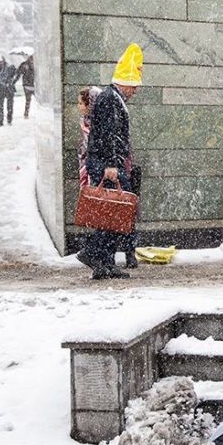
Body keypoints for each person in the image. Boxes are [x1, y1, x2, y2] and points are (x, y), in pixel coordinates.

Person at [76, 43, 144, 279]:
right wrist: (112, 164)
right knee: (114, 214)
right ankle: (92, 252)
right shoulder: (111, 99)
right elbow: (109, 135)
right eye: (133, 86)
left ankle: (104, 263)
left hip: (105, 162)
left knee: (111, 214)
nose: (135, 91)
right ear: (124, 83)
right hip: (108, 165)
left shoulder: (110, 98)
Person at [15, 55, 35, 119]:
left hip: (29, 85)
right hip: (29, 85)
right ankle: (26, 114)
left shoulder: (24, 64)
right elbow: (18, 73)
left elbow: (18, 73)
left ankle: (26, 114)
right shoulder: (25, 64)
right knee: (29, 100)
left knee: (28, 100)